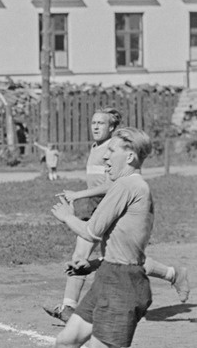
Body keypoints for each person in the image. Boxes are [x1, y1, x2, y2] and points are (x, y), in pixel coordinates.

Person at [39, 128, 195, 348]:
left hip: (123, 285)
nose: (105, 157)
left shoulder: (128, 186)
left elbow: (91, 231)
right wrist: (94, 263)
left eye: (112, 152)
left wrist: (66, 216)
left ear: (131, 155)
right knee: (65, 343)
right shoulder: (131, 187)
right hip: (110, 276)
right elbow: (127, 246)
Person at [44, 108, 189, 322]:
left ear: (112, 127)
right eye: (93, 122)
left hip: (112, 208)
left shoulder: (115, 150)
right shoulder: (96, 148)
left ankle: (172, 274)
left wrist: (79, 195)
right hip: (93, 208)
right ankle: (68, 308)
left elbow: (113, 184)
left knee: (121, 259)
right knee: (89, 257)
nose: (95, 126)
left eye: (100, 123)